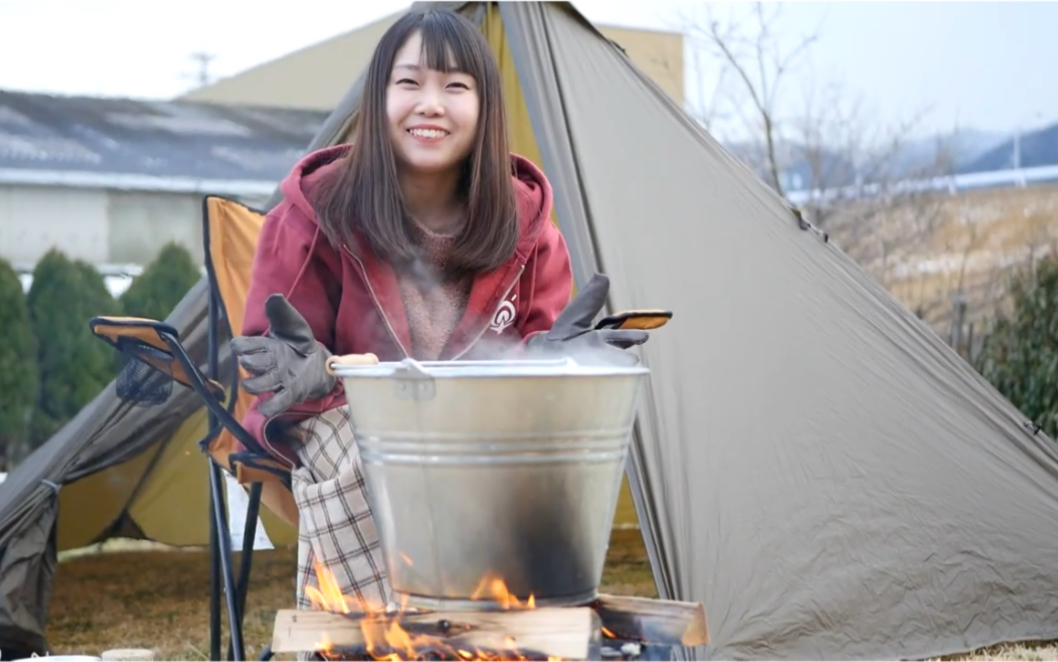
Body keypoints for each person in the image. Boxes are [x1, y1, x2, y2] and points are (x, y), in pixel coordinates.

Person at [229, 8, 652, 616]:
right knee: (366, 442)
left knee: (533, 462)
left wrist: (552, 364)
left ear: (485, 110)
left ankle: (503, 638)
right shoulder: (314, 212)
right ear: (378, 101)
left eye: (455, 87)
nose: (431, 103)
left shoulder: (527, 228)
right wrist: (313, 368)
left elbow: (537, 351)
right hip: (341, 428)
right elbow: (271, 361)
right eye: (409, 83)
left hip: (476, 434)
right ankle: (382, 642)